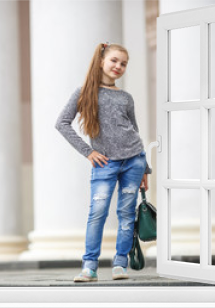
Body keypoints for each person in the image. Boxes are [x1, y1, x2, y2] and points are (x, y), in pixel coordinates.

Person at [54, 42, 152, 282]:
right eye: (114, 61)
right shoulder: (83, 93)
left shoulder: (126, 97)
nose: (118, 66)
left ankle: (121, 264)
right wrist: (88, 152)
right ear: (101, 61)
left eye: (123, 64)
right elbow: (62, 123)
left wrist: (145, 169)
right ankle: (90, 266)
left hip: (134, 161)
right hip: (104, 164)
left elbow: (135, 131)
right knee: (97, 213)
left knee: (127, 213)